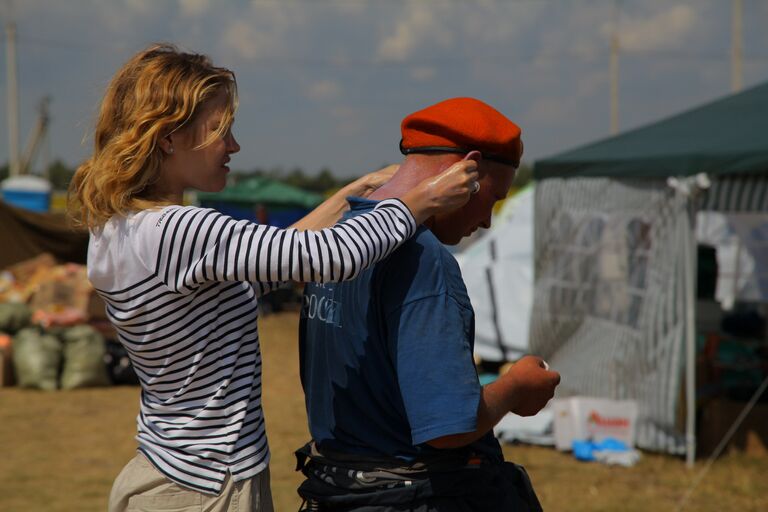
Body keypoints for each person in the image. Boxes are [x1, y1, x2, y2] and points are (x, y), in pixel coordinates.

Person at [68, 44, 479, 512]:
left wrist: (350, 196)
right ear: (168, 137)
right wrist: (420, 201)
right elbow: (331, 257)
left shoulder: (119, 229)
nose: (234, 146)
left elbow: (261, 271)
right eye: (221, 129)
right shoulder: (179, 229)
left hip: (168, 471)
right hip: (209, 488)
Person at [297, 97, 561, 511]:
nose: (488, 221)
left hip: (337, 493)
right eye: (493, 198)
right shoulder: (422, 259)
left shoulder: (336, 239)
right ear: (467, 170)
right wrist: (515, 388)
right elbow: (447, 427)